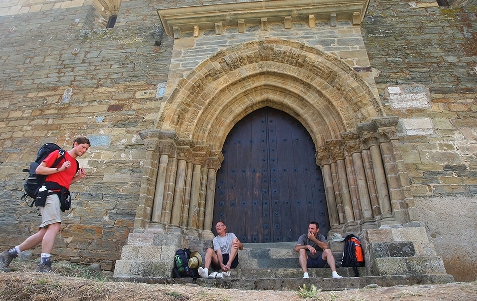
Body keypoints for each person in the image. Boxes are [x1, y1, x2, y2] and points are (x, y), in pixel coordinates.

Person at [0, 137, 91, 273]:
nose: (84, 151)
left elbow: (64, 182)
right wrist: (59, 168)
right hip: (48, 193)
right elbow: (39, 170)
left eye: (86, 149)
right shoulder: (59, 154)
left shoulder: (75, 164)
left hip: (58, 196)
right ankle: (44, 264)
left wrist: (78, 178)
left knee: (44, 232)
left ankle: (9, 254)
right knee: (55, 226)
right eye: (82, 147)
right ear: (75, 144)